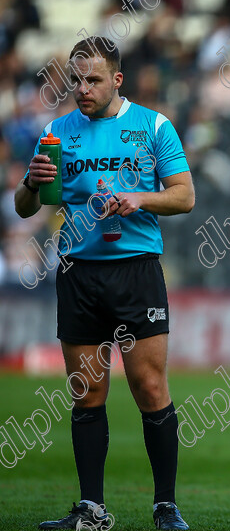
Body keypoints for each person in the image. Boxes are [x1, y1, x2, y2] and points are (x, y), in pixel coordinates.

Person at [14, 36, 194, 530]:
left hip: (135, 269)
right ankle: (92, 509)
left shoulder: (153, 126)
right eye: (75, 79)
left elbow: (184, 197)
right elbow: (28, 206)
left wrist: (141, 198)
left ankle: (165, 506)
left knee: (150, 386)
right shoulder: (57, 131)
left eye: (93, 79)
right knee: (87, 393)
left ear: (117, 79)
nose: (82, 88)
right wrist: (30, 183)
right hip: (78, 272)